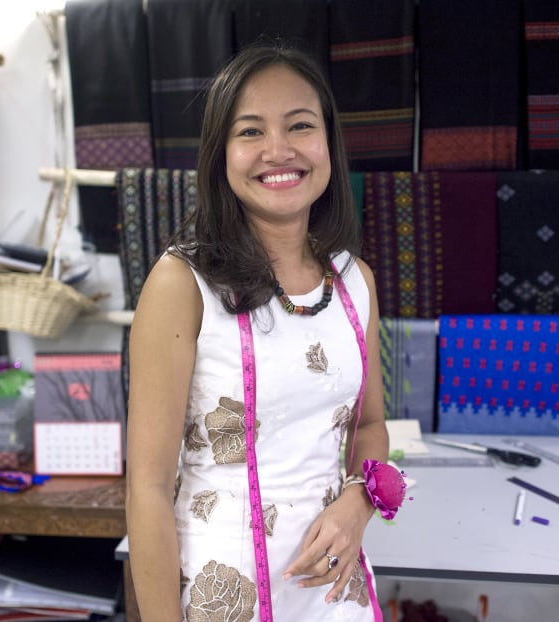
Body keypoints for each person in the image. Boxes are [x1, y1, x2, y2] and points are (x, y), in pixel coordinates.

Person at [125, 42, 392, 621]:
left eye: (300, 125)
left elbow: (370, 427)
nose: (279, 150)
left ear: (328, 144)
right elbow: (145, 491)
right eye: (250, 132)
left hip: (333, 593)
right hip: (222, 592)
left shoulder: (354, 282)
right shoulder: (181, 285)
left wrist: (359, 502)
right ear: (221, 153)